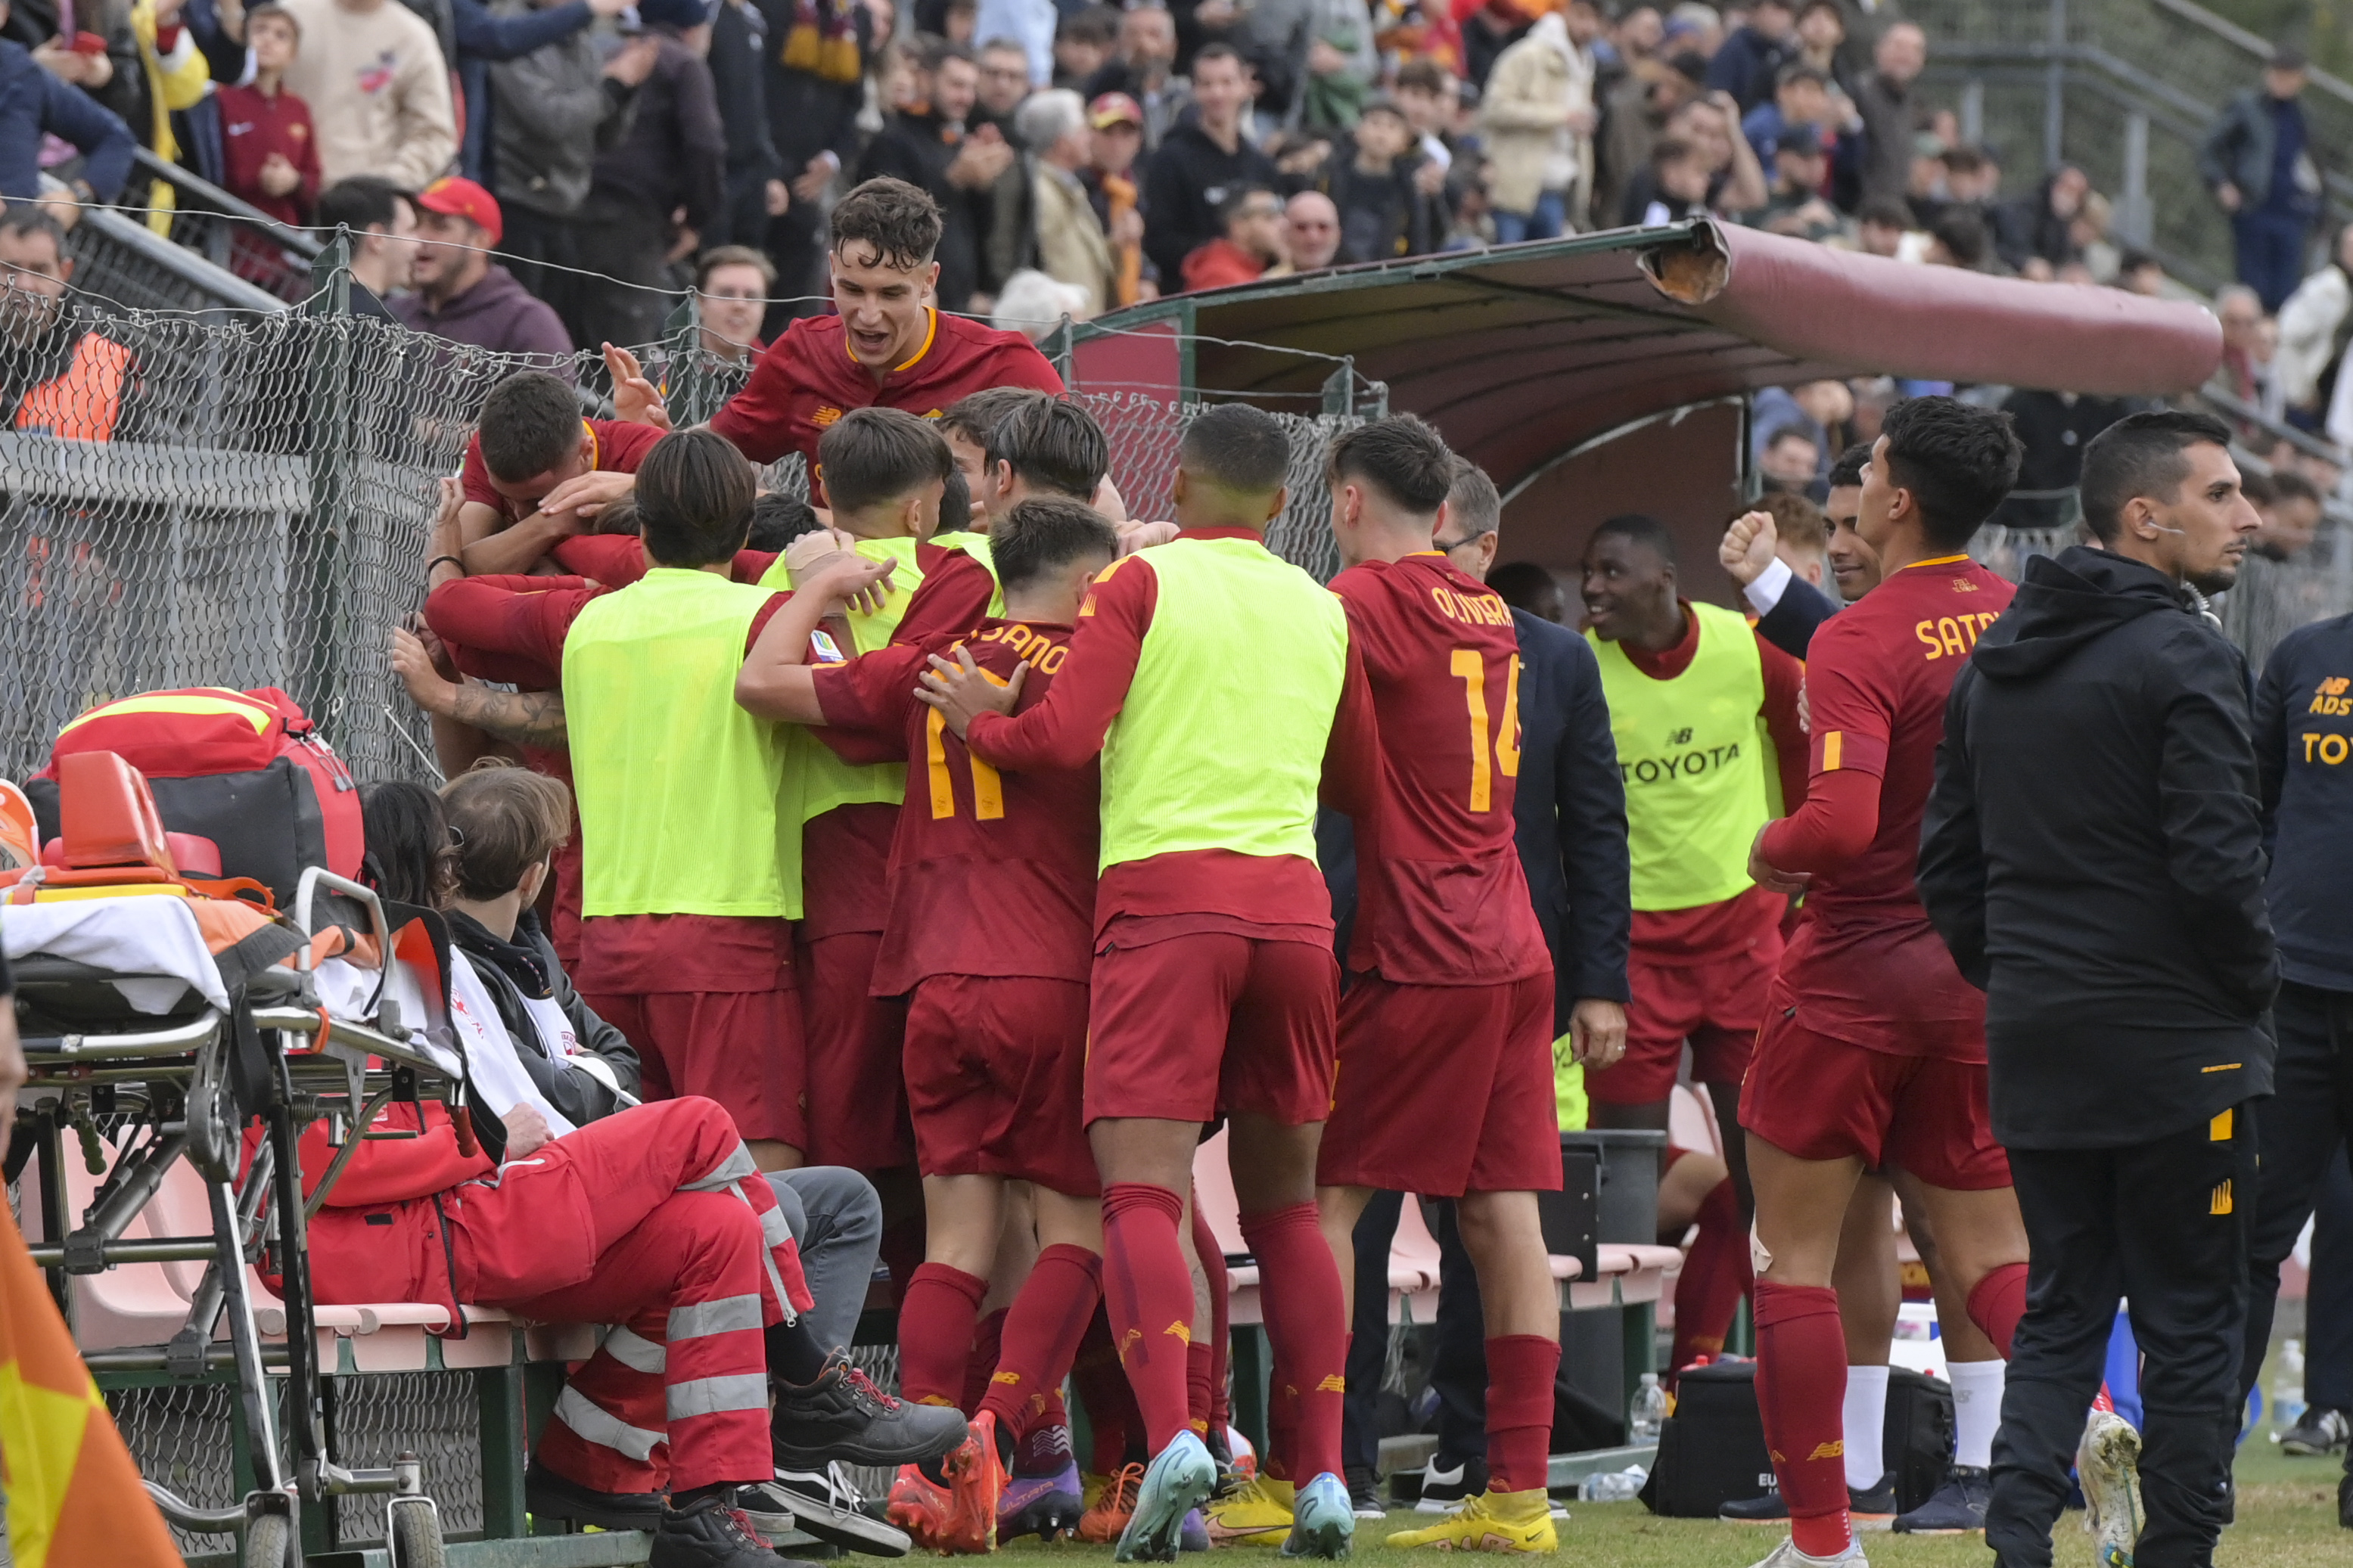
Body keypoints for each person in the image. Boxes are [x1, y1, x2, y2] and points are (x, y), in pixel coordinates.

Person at [918, 402, 1375, 1562]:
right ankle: (1318, 1473)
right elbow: (1359, 779)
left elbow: (1062, 739)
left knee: (1138, 1195)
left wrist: (984, 722)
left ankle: (1171, 1439)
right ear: (1283, 504)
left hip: (1165, 910)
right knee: (1285, 1210)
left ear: (1179, 481)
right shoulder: (1322, 608)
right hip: (1290, 910)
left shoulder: (1136, 586)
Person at [341, 781, 962, 1563]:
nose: (452, 868)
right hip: (479, 1215)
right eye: (442, 854)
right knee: (702, 1125)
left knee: (723, 1226)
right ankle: (806, 1380)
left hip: (520, 1193)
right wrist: (488, 1144)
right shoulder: (376, 970)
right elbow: (372, 1152)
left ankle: (688, 1501)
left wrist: (511, 1132)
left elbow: (600, 1074)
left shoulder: (452, 960)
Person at [735, 497, 1124, 1551]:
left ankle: (918, 1470)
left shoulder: (935, 658)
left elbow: (762, 681)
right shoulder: (1098, 659)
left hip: (935, 981)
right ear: (1094, 581)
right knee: (1072, 1230)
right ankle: (989, 1435)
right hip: (1050, 975)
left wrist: (810, 584)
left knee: (952, 1242)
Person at [1919, 409, 2273, 1568]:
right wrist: (2246, 989)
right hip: (2178, 1047)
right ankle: (2176, 1552)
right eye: (2221, 495)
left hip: (2038, 1037)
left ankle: (2015, 1540)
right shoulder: (2184, 654)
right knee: (2188, 1316)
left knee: (2065, 1303)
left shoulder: (1999, 656)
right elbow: (2220, 868)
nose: (2248, 518)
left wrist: (2023, 976)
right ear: (2144, 516)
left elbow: (1946, 869)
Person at [1738, 399, 2033, 1561]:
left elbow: (1839, 823)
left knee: (1793, 1260)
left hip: (1851, 982)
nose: (1852, 485)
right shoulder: (2019, 620)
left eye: (1863, 468)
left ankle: (1822, 1541)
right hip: (1979, 981)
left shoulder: (1855, 636)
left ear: (1898, 497)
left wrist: (1768, 851)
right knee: (1987, 1259)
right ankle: (2091, 1426)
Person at [1299, 418, 1572, 1554]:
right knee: (1502, 1215)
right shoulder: (1491, 611)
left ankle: (1304, 1471)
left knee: (1327, 1198)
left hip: (1419, 943)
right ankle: (1515, 1495)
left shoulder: (1364, 600)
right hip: (1509, 940)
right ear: (1449, 515)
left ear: (1349, 502)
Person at [1577, 510, 1807, 1373]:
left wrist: (1797, 876)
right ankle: (1619, 1391)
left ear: (1663, 580)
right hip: (1633, 956)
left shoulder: (1745, 647)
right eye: (1586, 572)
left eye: (1609, 571)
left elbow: (1798, 749)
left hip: (1745, 943)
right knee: (1625, 1186)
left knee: (1763, 1180)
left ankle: (1776, 1376)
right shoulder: (1577, 669)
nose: (1591, 588)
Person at [2240, 526, 2353, 1532]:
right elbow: (2256, 802)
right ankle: (2196, 1459)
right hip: (2295, 990)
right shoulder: (2305, 656)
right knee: (2247, 1227)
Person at [692, 178, 1065, 474]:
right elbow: (705, 453)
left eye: (891, 295)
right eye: (852, 289)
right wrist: (641, 435)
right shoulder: (801, 353)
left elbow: (1094, 496)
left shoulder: (1005, 364)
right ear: (833, 270)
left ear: (929, 282)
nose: (868, 315)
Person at [452, 368, 667, 577]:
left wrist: (637, 486)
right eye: (507, 498)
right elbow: (457, 567)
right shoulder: (489, 447)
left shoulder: (644, 450)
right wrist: (550, 524)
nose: (519, 514)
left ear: (586, 451)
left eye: (538, 500)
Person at [856, 38, 1008, 317]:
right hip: (912, 302)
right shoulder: (892, 140)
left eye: (972, 88)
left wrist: (984, 185)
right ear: (924, 79)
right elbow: (888, 222)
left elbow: (980, 229)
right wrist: (954, 180)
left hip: (962, 301)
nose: (966, 97)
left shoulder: (957, 142)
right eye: (956, 85)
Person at [754, 0, 873, 309]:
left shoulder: (856, 17)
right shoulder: (768, 8)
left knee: (799, 285)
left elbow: (854, 101)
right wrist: (766, 166)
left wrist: (833, 158)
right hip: (759, 168)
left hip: (812, 179)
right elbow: (750, 93)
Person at [391, 176, 574, 361]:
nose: (419, 238)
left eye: (440, 226)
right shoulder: (396, 312)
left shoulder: (526, 323)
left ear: (480, 242)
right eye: (416, 224)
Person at [278, 0, 454, 188]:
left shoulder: (413, 38)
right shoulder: (289, 16)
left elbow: (434, 133)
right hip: (278, 194)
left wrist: (386, 188)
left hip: (362, 206)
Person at [1142, 43, 1278, 287]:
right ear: (1194, 90)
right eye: (1207, 84)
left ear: (1245, 85)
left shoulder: (1260, 165)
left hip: (1259, 290)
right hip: (1194, 294)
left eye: (1227, 83)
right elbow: (1158, 240)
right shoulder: (1170, 160)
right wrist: (1223, 254)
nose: (1217, 94)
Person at [2202, 45, 2324, 314]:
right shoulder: (2247, 107)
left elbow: (2314, 165)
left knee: (2285, 296)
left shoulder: (2304, 116)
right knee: (2252, 290)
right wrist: (2222, 184)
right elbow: (2212, 148)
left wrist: (2316, 209)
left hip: (2292, 215)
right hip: (2255, 208)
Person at [0, 206, 135, 442]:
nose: (24, 285)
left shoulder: (108, 367)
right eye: (10, 269)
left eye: (39, 270)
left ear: (65, 272)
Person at [0, 0, 136, 206]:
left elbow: (118, 134)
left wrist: (107, 77)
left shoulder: (25, 74)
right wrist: (38, 63)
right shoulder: (21, 65)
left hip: (63, 162)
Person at [207, 3, 319, 226]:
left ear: (293, 55)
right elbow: (208, 164)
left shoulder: (297, 109)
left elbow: (314, 176)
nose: (268, 40)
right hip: (229, 228)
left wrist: (294, 182)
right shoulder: (222, 99)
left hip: (282, 235)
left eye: (281, 35)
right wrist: (257, 178)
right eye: (260, 30)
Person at [1023, 86, 1120, 316]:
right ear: (1062, 142)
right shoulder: (1042, 194)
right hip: (1062, 328)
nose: (1090, 137)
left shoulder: (1070, 187)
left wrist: (1116, 244)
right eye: (1082, 130)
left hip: (1082, 326)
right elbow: (1045, 264)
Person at [1323, 97, 1444, 265]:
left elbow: (1421, 239)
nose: (1382, 133)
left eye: (1392, 127)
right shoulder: (1331, 174)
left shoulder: (1409, 188)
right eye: (1375, 123)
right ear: (1357, 132)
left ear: (1404, 141)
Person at [314, 176, 421, 321]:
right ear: (377, 238)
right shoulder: (379, 327)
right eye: (410, 231)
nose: (419, 245)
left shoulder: (301, 312)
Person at [1851, 21, 1925, 210]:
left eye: (1914, 50)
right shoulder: (1859, 93)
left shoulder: (1913, 103)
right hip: (1860, 208)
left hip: (1896, 210)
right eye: (1899, 46)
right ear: (1879, 50)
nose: (1905, 55)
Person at [1182, 183, 1289, 290]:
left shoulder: (1258, 268)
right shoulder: (1219, 278)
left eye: (1282, 214)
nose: (1283, 224)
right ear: (1238, 226)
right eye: (1269, 216)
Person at [1705, 0, 1795, 113]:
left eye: (1787, 12)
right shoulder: (1734, 49)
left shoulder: (1786, 53)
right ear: (1755, 12)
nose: (1782, 19)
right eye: (1776, 10)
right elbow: (1717, 94)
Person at [696, 245, 776, 365]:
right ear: (700, 302)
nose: (740, 305)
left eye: (751, 296)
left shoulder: (780, 378)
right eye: (726, 294)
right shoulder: (662, 368)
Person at [1285, 188, 1342, 270]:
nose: (1313, 238)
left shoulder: (1358, 278)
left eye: (1323, 227)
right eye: (1302, 228)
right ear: (1285, 234)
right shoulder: (1268, 281)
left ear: (1338, 234)